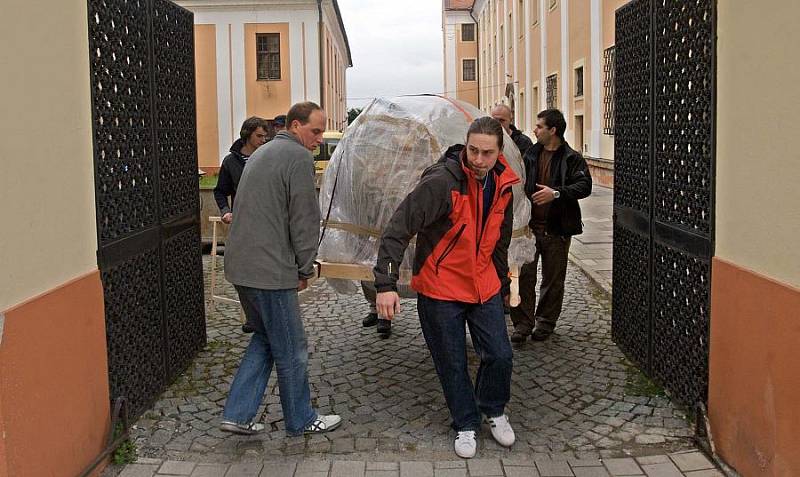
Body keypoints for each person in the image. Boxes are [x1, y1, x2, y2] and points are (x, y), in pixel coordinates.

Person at [373, 117, 518, 459]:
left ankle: (493, 409)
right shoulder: (442, 182)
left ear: (500, 152)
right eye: (473, 151)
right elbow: (398, 228)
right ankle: (465, 423)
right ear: (465, 146)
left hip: (482, 285)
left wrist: (503, 284)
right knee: (451, 362)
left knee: (500, 354)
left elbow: (500, 240)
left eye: (487, 153)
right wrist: (385, 283)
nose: (479, 160)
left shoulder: (504, 185)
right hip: (441, 288)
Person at [219, 102, 342, 436]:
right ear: (295, 125)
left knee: (265, 338)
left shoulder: (263, 152)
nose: (319, 139)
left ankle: (238, 414)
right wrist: (305, 267)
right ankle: (301, 418)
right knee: (292, 348)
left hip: (242, 266)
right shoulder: (297, 157)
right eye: (315, 131)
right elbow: (303, 218)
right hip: (268, 271)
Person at [509, 109, 592, 342]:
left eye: (539, 126)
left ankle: (545, 322)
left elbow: (584, 186)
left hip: (558, 229)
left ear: (552, 130)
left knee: (553, 279)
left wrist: (555, 193)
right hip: (529, 229)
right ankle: (522, 324)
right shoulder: (530, 155)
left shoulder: (572, 157)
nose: (534, 130)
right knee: (521, 276)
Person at [213, 117, 269, 225]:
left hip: (267, 219)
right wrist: (225, 211)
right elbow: (220, 191)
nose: (263, 140)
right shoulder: (230, 161)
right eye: (259, 136)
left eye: (264, 136)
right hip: (242, 220)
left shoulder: (269, 158)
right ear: (247, 135)